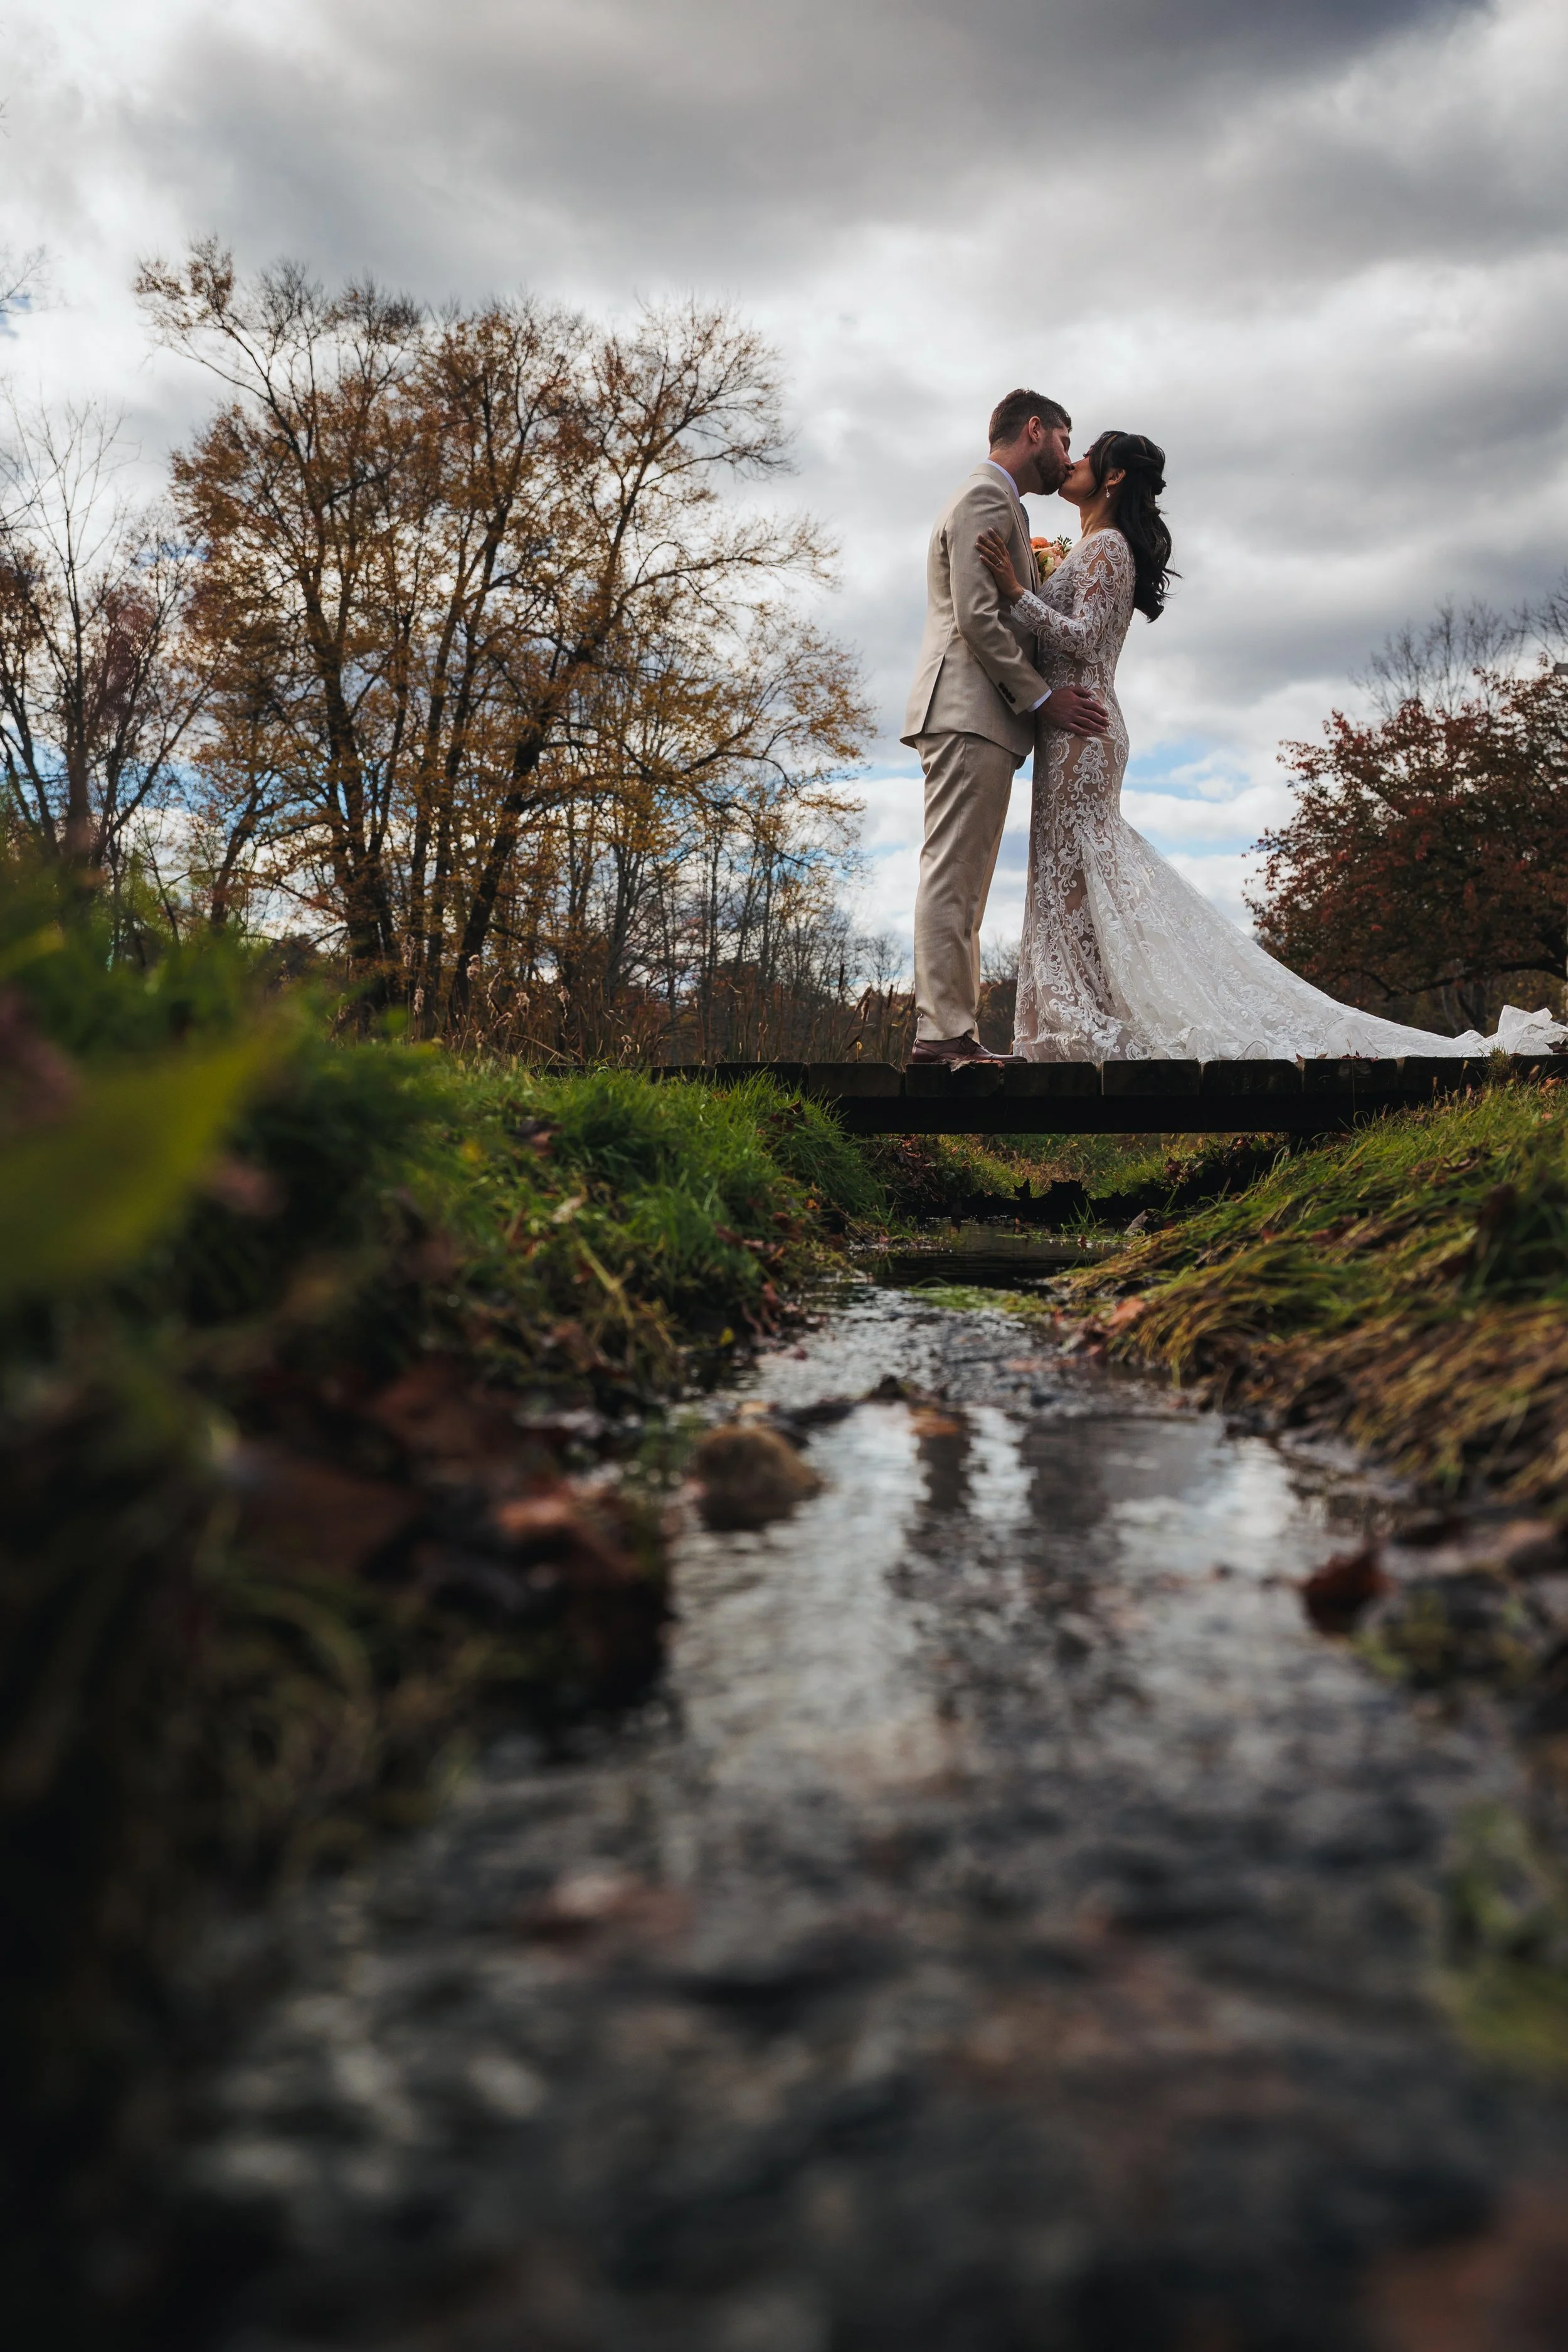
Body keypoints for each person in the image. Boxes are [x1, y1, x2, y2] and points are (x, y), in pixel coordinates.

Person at [976, 428, 1567, 1060]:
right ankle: (1071, 1016)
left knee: (1074, 869)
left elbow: (1084, 638)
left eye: (1085, 456)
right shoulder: (1092, 546)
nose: (1071, 463)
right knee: (1064, 868)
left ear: (1113, 477)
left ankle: (1080, 1022)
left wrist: (1016, 592)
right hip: (1071, 728)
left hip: (1084, 730)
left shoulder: (1111, 547)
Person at [901, 390, 1110, 1067]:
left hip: (976, 714)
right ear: (1033, 430)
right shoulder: (985, 500)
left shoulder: (999, 505)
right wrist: (1043, 698)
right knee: (953, 876)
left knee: (964, 880)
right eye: (1063, 439)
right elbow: (978, 619)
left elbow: (1000, 611)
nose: (1067, 455)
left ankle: (953, 1031)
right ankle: (942, 1038)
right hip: (968, 709)